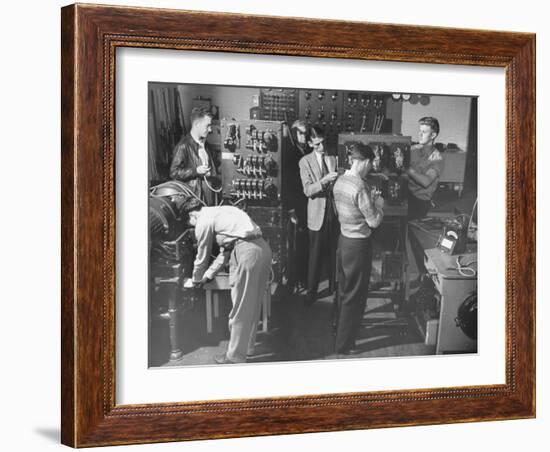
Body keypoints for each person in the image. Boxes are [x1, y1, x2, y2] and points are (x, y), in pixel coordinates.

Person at [186, 202, 272, 364]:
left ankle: (234, 357)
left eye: (191, 225)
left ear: (193, 215)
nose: (194, 229)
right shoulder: (224, 212)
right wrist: (207, 276)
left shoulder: (203, 220)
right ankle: (247, 349)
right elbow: (225, 253)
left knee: (240, 308)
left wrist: (196, 279)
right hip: (263, 250)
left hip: (247, 253)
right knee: (252, 306)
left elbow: (202, 255)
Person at [332, 142, 384, 355]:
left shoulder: (340, 180)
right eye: (370, 163)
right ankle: (343, 345)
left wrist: (366, 203)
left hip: (344, 241)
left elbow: (344, 210)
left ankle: (340, 331)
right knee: (356, 294)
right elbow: (373, 222)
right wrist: (379, 204)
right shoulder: (360, 186)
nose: (371, 167)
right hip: (358, 245)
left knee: (344, 291)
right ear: (362, 162)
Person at [299, 126, 338, 306]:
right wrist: (324, 181)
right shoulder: (304, 162)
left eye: (323, 142)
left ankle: (333, 288)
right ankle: (311, 292)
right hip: (316, 215)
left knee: (334, 253)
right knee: (315, 256)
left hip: (334, 212)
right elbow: (307, 190)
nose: (322, 147)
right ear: (309, 144)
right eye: (317, 144)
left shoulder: (333, 158)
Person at [170, 107, 220, 206]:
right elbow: (174, 172)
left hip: (210, 194)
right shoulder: (183, 146)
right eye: (208, 126)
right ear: (197, 125)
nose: (210, 130)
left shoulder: (206, 145)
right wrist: (195, 171)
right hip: (196, 198)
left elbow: (216, 166)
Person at [285, 120, 310, 291]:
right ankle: (293, 279)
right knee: (293, 245)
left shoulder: (307, 151)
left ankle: (302, 277)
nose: (304, 136)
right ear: (294, 134)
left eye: (306, 133)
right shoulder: (289, 154)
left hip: (307, 203)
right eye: (301, 133)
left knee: (304, 244)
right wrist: (291, 210)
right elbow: (287, 184)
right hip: (295, 205)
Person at [405, 116, 444, 219]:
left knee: (411, 229)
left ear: (433, 135)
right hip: (406, 194)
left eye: (424, 132)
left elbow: (426, 182)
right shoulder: (413, 149)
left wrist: (407, 169)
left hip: (420, 201)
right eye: (419, 131)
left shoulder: (437, 158)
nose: (420, 134)